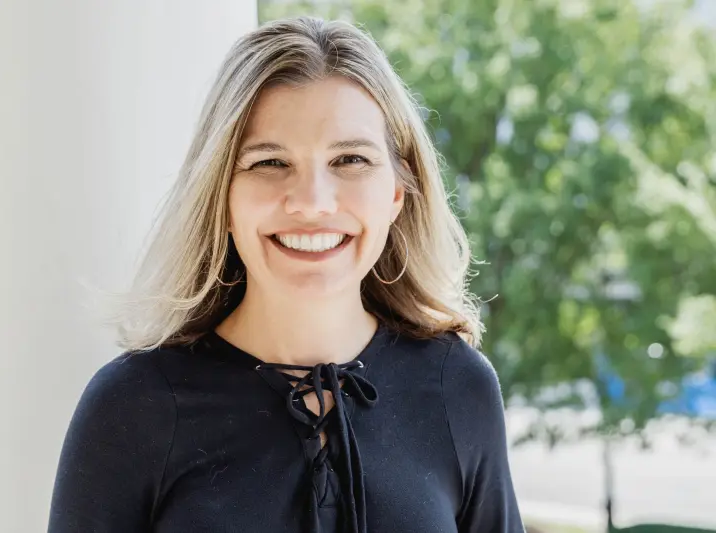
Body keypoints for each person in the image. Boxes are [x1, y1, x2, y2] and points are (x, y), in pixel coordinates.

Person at [48, 16, 524, 533]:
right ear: (222, 199)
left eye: (350, 159)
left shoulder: (458, 389)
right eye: (270, 162)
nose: (312, 203)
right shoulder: (133, 407)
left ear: (395, 194)